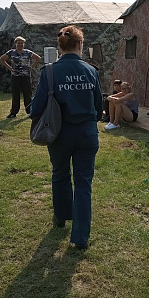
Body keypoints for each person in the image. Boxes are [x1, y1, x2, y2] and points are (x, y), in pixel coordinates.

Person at [30, 25, 102, 250]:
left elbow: (36, 108)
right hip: (87, 133)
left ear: (59, 47)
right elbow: (99, 107)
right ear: (81, 45)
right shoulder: (91, 71)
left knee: (60, 174)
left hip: (59, 134)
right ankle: (81, 237)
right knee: (83, 183)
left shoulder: (50, 71)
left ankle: (61, 217)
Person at [0, 36, 41, 118]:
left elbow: (38, 58)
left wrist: (31, 67)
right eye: (18, 43)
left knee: (27, 94)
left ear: (24, 44)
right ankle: (13, 112)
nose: (20, 45)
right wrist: (10, 68)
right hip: (15, 76)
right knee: (15, 94)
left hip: (26, 76)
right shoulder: (11, 52)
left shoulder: (27, 52)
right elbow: (1, 59)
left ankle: (29, 111)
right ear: (15, 44)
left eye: (22, 43)